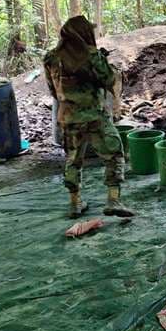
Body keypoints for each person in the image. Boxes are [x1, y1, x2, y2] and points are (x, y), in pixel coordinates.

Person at [44, 16, 134, 219]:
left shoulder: (51, 57)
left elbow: (52, 90)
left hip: (68, 118)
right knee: (114, 154)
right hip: (95, 116)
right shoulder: (92, 56)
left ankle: (75, 204)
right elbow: (109, 80)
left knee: (73, 160)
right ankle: (113, 200)